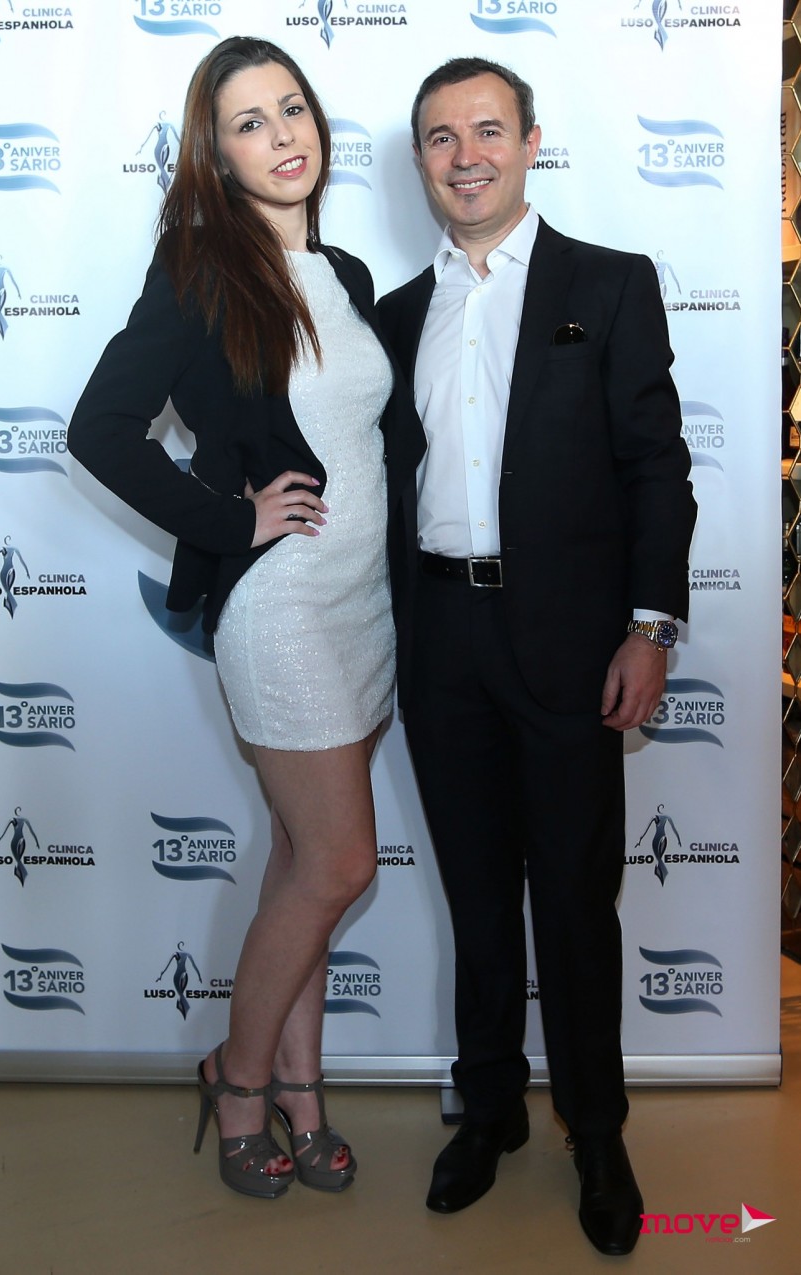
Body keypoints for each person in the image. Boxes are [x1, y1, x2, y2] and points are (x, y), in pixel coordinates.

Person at [68, 36, 424, 1201]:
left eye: (291, 109)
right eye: (248, 123)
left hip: (365, 606)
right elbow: (100, 428)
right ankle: (235, 1081)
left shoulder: (347, 274)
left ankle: (300, 1091)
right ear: (216, 156)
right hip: (281, 609)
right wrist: (230, 519)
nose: (282, 137)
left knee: (301, 865)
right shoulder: (200, 269)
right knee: (341, 863)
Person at [377, 57, 696, 1255]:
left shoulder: (607, 284)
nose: (465, 156)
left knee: (571, 897)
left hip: (569, 645)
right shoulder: (392, 316)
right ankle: (491, 1109)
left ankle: (596, 1132)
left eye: (486, 131)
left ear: (529, 141)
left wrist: (649, 627)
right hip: (439, 637)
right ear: (421, 159)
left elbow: (654, 468)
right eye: (440, 137)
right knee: (474, 896)